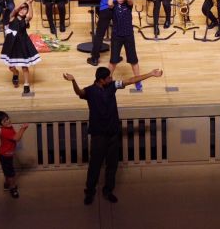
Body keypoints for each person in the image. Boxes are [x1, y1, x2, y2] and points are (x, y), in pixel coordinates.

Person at [63, 67, 164, 205]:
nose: (111, 79)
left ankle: (108, 191)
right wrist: (73, 81)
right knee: (95, 166)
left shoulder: (112, 86)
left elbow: (130, 80)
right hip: (98, 135)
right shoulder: (90, 91)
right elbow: (79, 92)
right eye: (108, 78)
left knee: (112, 165)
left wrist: (151, 74)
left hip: (113, 134)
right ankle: (90, 191)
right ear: (101, 80)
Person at [0, 0, 41, 95]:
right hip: (12, 44)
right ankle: (15, 73)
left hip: (22, 44)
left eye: (25, 10)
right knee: (11, 67)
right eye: (22, 9)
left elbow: (30, 16)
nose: (23, 11)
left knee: (24, 66)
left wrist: (29, 4)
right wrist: (23, 2)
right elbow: (14, 10)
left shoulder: (25, 20)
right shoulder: (11, 17)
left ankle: (26, 85)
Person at [107, 0, 143, 90]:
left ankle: (138, 81)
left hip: (128, 35)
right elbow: (109, 3)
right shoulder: (113, 5)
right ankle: (107, 80)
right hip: (116, 36)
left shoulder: (129, 5)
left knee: (133, 60)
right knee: (113, 61)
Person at [0, 111, 29, 199]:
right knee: (11, 174)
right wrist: (23, 129)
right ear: (0, 125)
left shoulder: (9, 128)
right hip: (5, 156)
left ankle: (6, 184)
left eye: (7, 119)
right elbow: (16, 138)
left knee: (7, 172)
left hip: (6, 155)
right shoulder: (5, 131)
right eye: (4, 121)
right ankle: (13, 188)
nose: (8, 121)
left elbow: (14, 136)